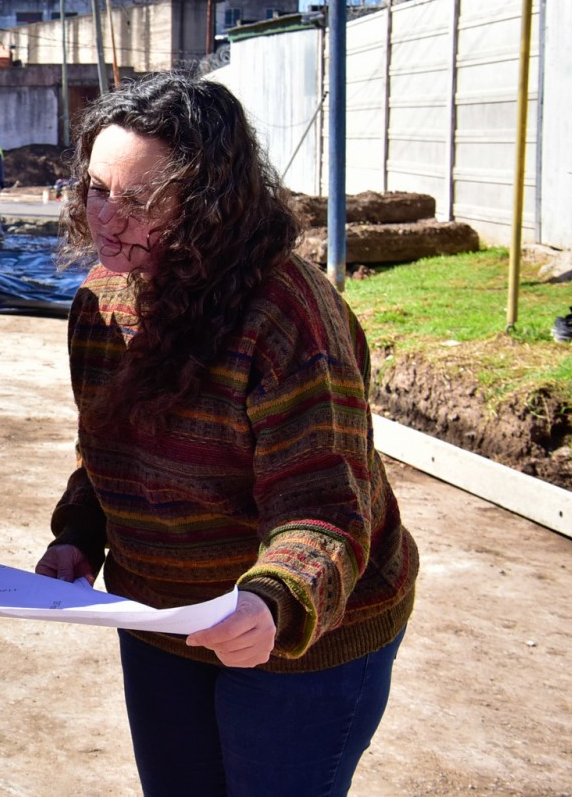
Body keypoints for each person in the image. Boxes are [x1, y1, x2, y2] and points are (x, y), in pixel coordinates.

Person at [34, 73, 418, 796]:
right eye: (96, 189)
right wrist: (79, 535)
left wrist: (274, 600)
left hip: (301, 640)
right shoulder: (101, 298)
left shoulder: (286, 317)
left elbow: (325, 504)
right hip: (162, 618)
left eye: (141, 200)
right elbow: (108, 450)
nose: (108, 220)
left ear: (211, 205)